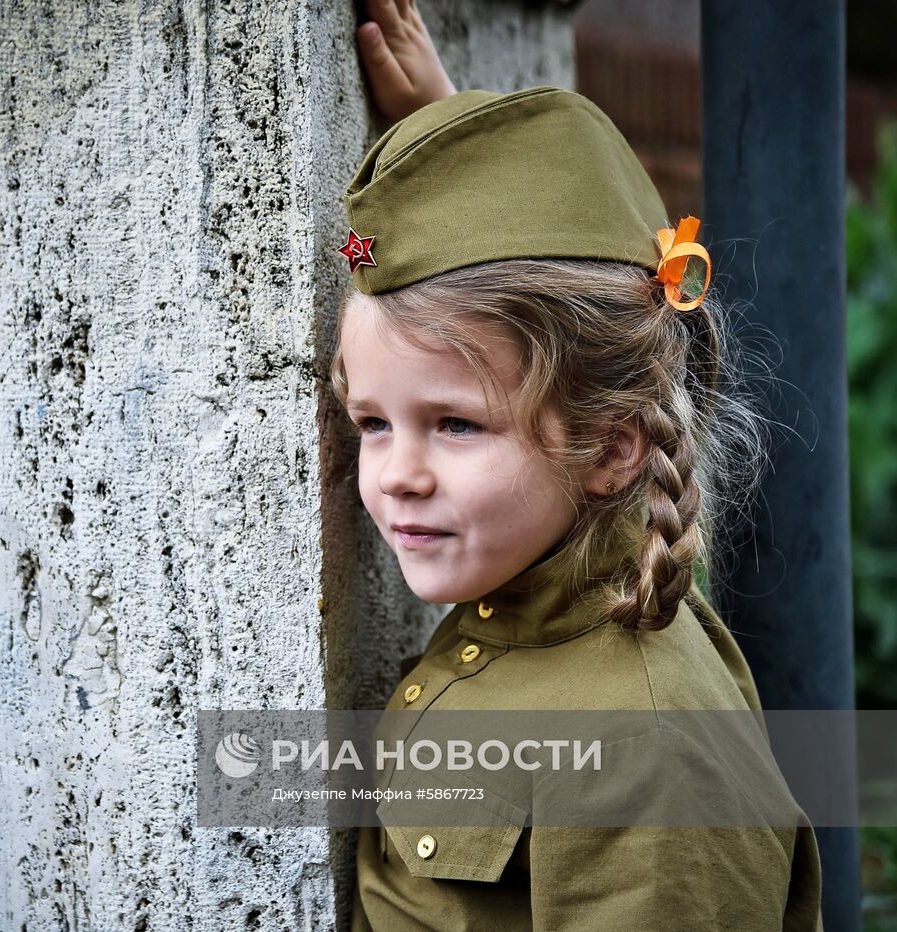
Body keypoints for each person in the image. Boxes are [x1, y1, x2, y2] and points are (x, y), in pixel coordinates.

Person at [336, 2, 823, 929]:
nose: (398, 473)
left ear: (610, 448)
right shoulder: (524, 601)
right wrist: (461, 168)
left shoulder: (650, 748)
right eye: (372, 420)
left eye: (455, 425)